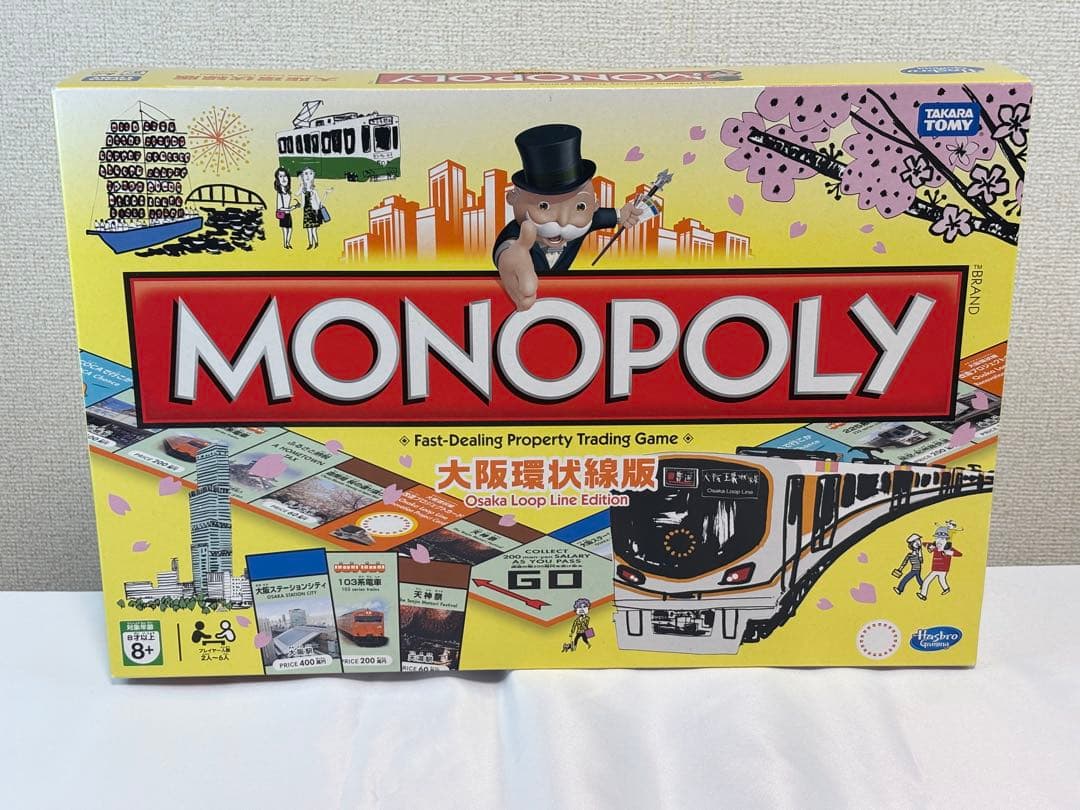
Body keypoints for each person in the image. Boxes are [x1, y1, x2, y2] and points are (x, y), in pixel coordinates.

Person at [493, 124, 644, 311]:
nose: (563, 222)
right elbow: (509, 248)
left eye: (580, 206)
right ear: (512, 198)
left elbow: (599, 218)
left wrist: (621, 215)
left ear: (594, 204)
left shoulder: (584, 222)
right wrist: (507, 259)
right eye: (544, 206)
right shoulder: (517, 233)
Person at [919, 534, 963, 600]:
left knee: (932, 580)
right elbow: (924, 544)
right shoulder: (935, 548)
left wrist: (950, 553)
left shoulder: (949, 549)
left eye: (942, 539)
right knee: (937, 580)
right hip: (935, 569)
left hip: (943, 569)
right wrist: (930, 546)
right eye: (938, 538)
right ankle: (945, 589)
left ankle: (923, 594)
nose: (939, 541)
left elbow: (960, 554)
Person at [297, 166, 332, 250]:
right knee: (309, 230)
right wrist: (297, 205)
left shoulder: (314, 191)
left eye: (310, 173)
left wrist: (326, 194)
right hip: (307, 212)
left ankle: (316, 243)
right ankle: (310, 244)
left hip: (314, 212)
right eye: (306, 174)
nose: (308, 176)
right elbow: (302, 203)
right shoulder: (303, 191)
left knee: (313, 230)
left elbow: (320, 203)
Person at [273, 167, 296, 248]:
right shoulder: (279, 194)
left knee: (290, 229)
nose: (283, 178)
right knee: (285, 230)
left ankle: (288, 243)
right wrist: (290, 208)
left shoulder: (288, 192)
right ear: (277, 179)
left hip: (288, 214)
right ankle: (285, 244)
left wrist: (293, 207)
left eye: (285, 176)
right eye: (281, 176)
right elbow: (279, 208)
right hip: (283, 215)